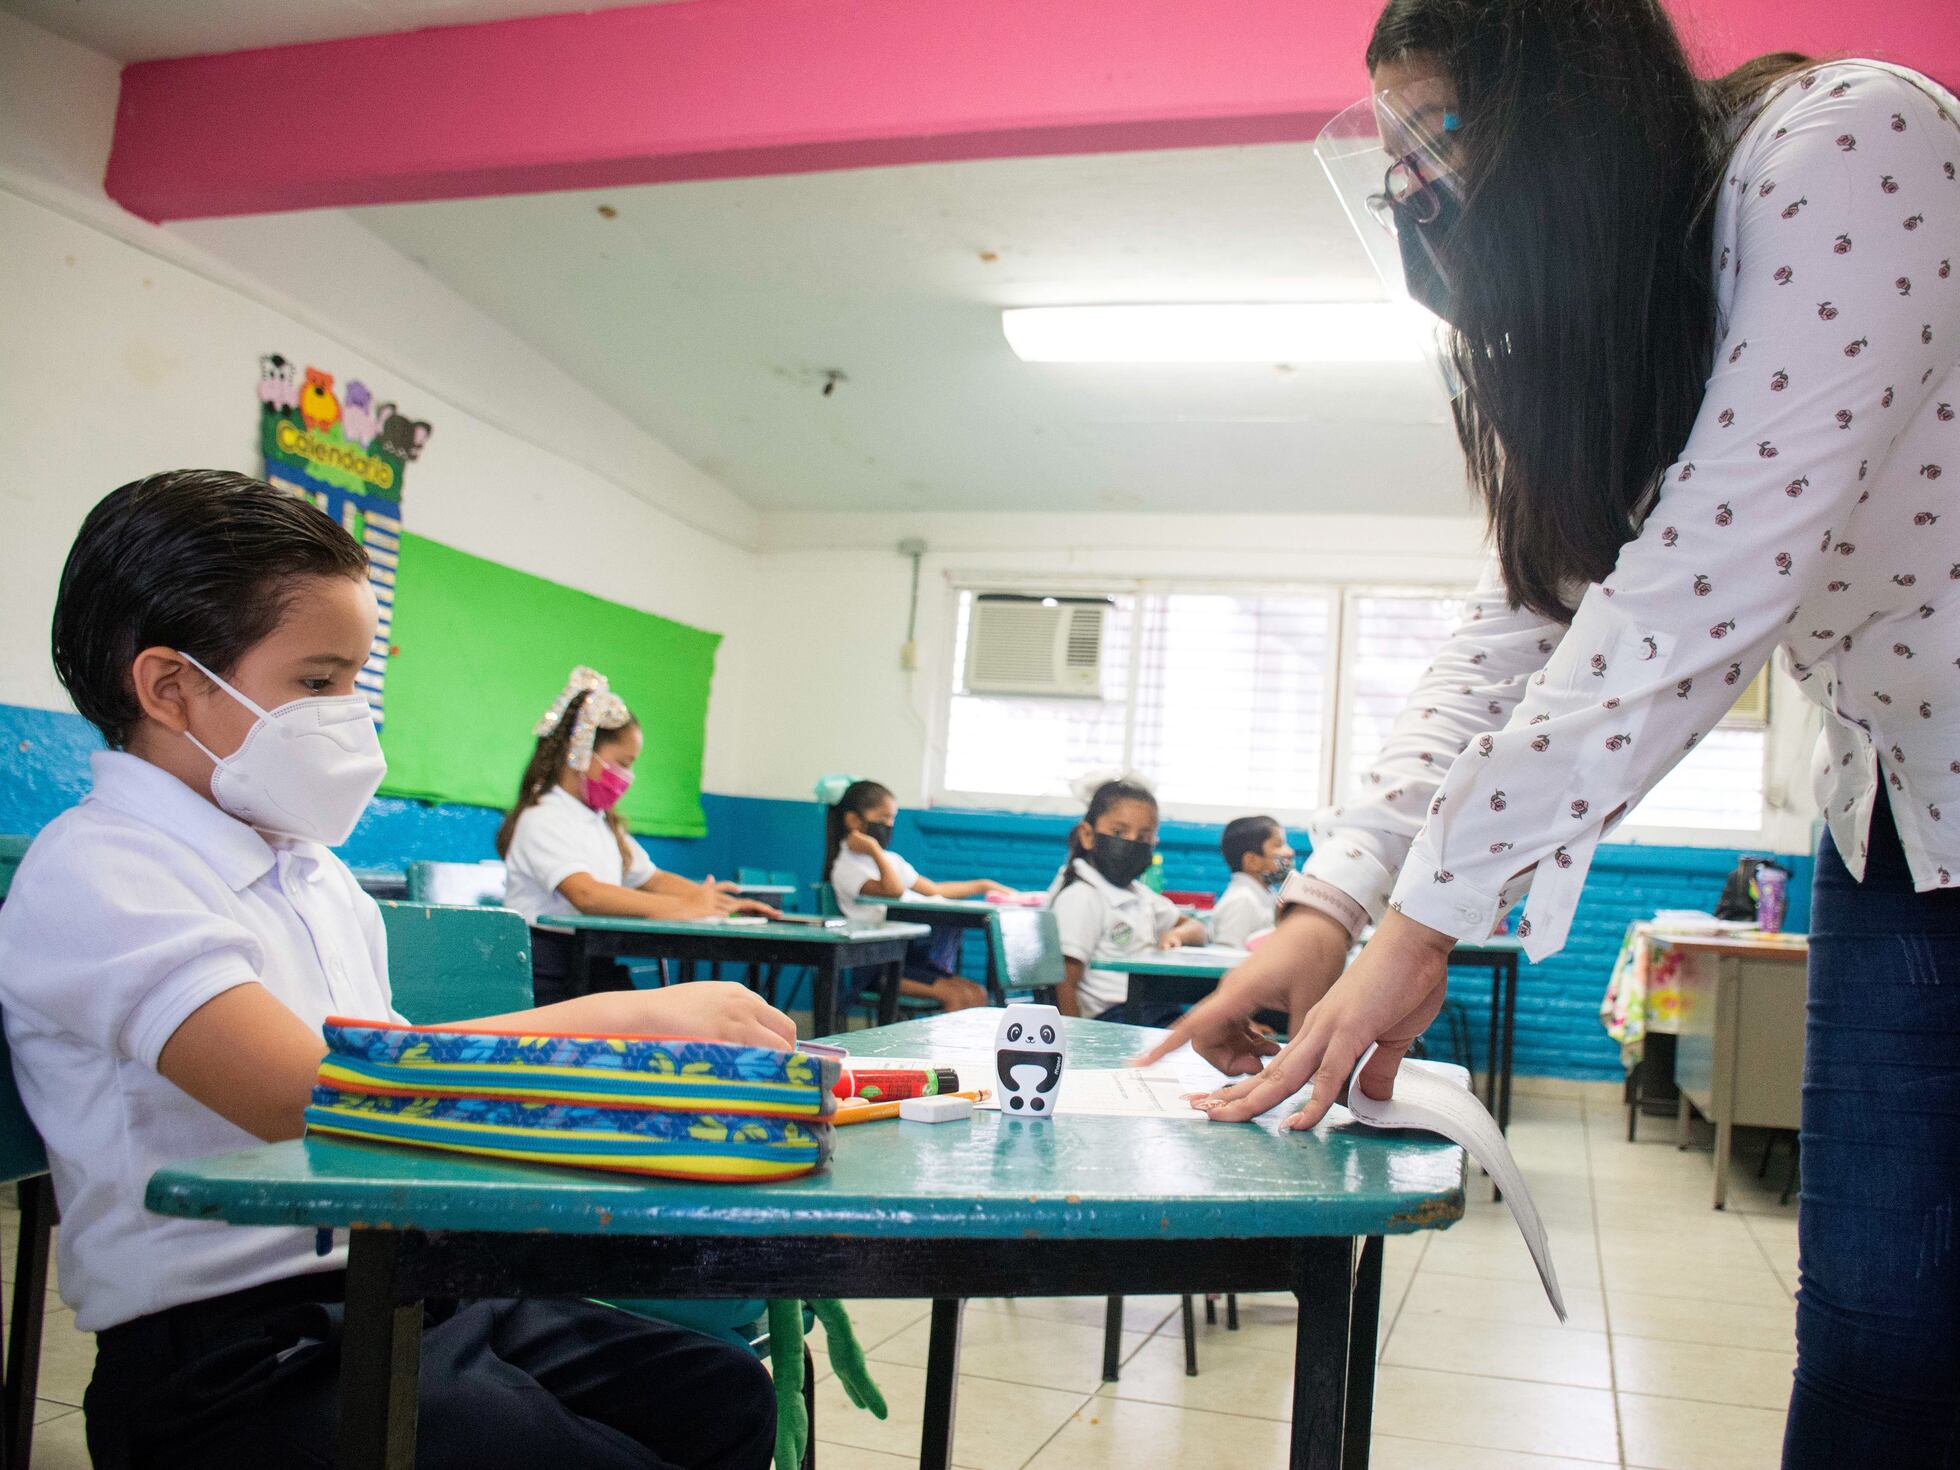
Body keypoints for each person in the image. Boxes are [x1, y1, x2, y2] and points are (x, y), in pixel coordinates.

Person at [1136, 5, 1960, 1460]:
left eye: (1440, 136)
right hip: (1892, 810)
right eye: (1399, 159)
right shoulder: (1628, 318)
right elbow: (1522, 619)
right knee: (1873, 1326)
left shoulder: (1843, 148)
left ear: (1570, 102)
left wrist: (1429, 916)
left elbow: (1701, 590)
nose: (1421, 191)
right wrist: (1335, 899)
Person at [0, 471, 784, 1468]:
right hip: (232, 1359)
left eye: (354, 683)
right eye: (318, 682)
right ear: (169, 686)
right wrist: (625, 1023)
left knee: (719, 1396)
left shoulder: (306, 868)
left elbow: (392, 1064)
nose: (347, 717)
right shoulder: (103, 870)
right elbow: (318, 1091)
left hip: (403, 1290)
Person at [498, 667, 777, 1004]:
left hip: (592, 963)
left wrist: (720, 905)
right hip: (543, 973)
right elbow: (586, 894)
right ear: (582, 751)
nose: (627, 776)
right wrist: (681, 907)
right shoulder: (543, 818)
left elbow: (651, 878)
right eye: (623, 762)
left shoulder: (599, 822)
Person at [824, 778, 999, 1011]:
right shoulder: (846, 869)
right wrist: (875, 850)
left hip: (909, 958)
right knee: (957, 996)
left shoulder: (892, 861)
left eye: (892, 819)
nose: (889, 826)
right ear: (854, 821)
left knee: (977, 992)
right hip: (877, 967)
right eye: (883, 819)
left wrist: (984, 885)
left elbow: (936, 891)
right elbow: (893, 891)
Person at [1051, 776, 1207, 1022]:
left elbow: (1197, 928)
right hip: (1113, 1019)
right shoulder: (1082, 897)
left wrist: (1177, 935)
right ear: (1088, 835)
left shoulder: (1137, 894)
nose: (1132, 842)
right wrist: (1075, 1044)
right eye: (1119, 832)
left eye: (1144, 837)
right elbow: (1063, 983)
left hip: (1149, 1009)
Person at [1209, 816, 1296, 948]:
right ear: (1252, 861)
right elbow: (1226, 957)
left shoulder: (1267, 894)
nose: (1290, 852)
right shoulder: (1242, 900)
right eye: (1278, 844)